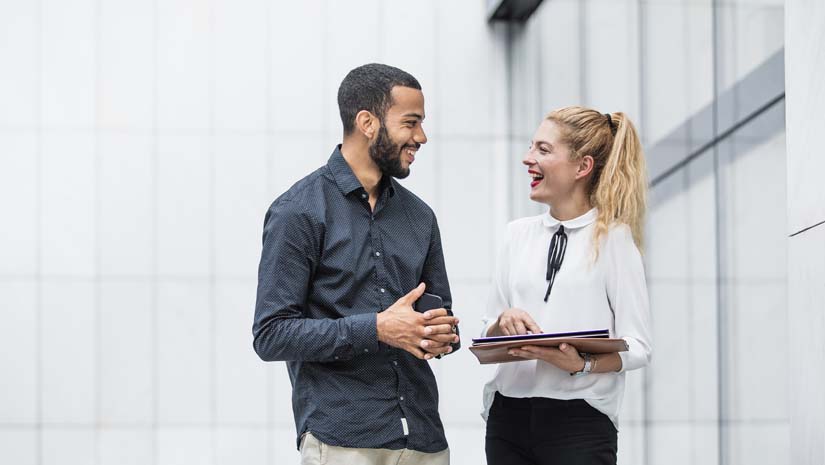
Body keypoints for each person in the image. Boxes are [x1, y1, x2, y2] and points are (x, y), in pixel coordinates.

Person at [252, 63, 460, 465]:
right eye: (411, 122)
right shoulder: (298, 211)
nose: (421, 136)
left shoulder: (421, 217)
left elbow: (441, 317)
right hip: (343, 440)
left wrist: (439, 334)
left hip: (424, 439)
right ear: (367, 122)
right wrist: (377, 328)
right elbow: (271, 334)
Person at [481, 106, 653, 465]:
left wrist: (581, 363)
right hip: (507, 418)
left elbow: (638, 347)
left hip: (579, 424)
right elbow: (488, 329)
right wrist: (503, 321)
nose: (528, 158)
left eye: (543, 150)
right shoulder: (516, 235)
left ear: (582, 167)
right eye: (532, 147)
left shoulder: (614, 240)